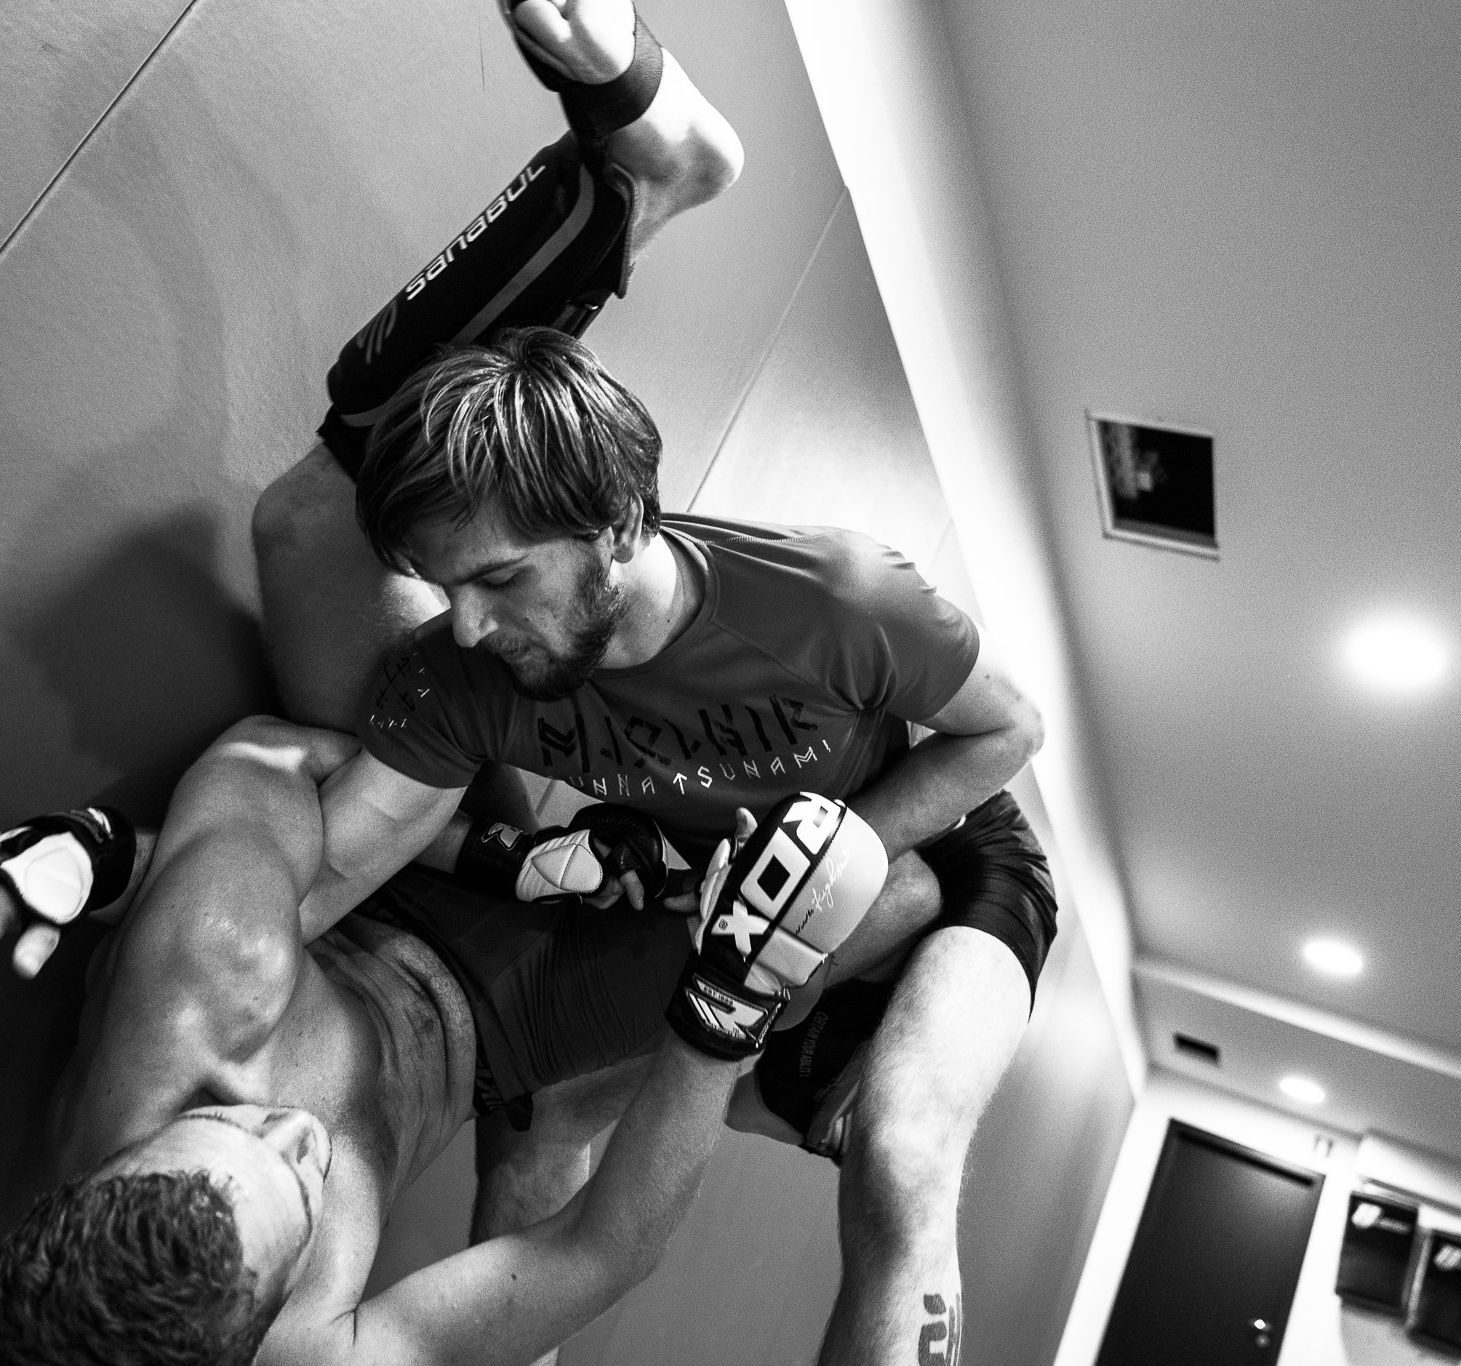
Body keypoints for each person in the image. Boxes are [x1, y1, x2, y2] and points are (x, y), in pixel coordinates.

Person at [245, 3, 1061, 1363]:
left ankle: (646, 167)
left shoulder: (837, 597)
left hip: (941, 845)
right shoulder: (476, 669)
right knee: (532, 1132)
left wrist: (844, 844)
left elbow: (1008, 729)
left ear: (621, 525)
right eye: (444, 587)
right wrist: (90, 874)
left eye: (499, 580)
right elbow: (320, 871)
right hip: (739, 897)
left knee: (903, 1156)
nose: (463, 623)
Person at [0, 723, 882, 1366]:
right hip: (516, 1030)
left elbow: (279, 755)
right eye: (300, 1183)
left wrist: (68, 858)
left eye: (235, 1122)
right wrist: (726, 1000)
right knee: (881, 896)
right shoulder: (307, 1351)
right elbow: (602, 1251)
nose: (300, 1131)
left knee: (310, 540)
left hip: (394, 865)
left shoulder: (200, 986)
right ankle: (624, 1102)